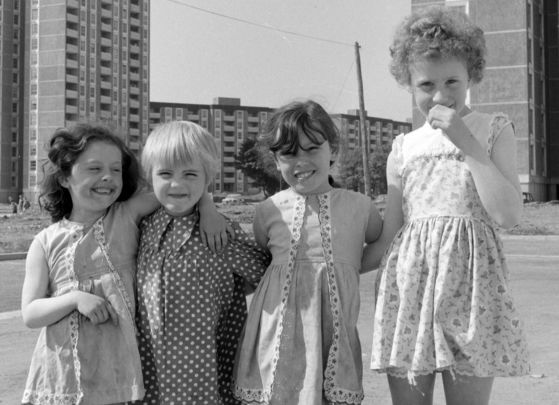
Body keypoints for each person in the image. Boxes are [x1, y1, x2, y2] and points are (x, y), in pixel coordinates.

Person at [361, 6, 530, 405]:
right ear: (407, 84)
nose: (440, 95)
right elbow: (390, 235)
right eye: (425, 84)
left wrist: (465, 142)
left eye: (452, 80)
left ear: (472, 74)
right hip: (410, 288)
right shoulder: (402, 147)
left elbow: (507, 215)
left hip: (473, 290)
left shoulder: (493, 129)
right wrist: (333, 260)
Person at [20, 123, 229, 404]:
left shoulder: (126, 215)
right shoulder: (45, 242)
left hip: (117, 371)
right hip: (63, 370)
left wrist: (208, 207)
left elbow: (176, 190)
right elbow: (31, 314)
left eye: (115, 169)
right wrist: (74, 299)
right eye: (94, 169)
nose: (107, 177)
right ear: (64, 178)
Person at [233, 100, 383, 404]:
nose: (301, 161)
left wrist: (345, 267)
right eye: (289, 154)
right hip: (277, 332)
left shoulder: (359, 206)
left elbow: (382, 245)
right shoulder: (268, 210)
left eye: (312, 148)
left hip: (334, 329)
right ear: (276, 161)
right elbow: (267, 262)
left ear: (333, 152)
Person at [135, 120, 270, 404]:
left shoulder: (219, 233)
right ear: (150, 176)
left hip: (204, 372)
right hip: (150, 372)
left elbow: (266, 275)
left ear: (207, 177)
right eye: (165, 173)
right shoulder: (141, 228)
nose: (177, 183)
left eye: (190, 174)